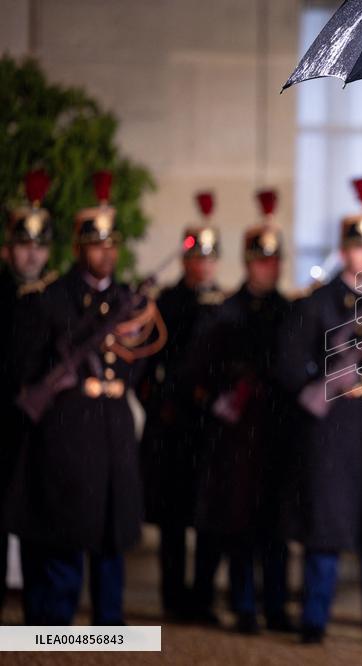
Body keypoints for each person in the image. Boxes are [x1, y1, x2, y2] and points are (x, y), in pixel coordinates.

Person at [6, 171, 164, 625]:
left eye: (111, 245)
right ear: (79, 248)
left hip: (113, 427)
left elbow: (140, 361)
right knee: (67, 532)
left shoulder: (127, 300)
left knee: (112, 533)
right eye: (96, 245)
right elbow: (26, 366)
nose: (106, 253)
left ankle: (109, 626)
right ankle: (55, 630)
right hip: (68, 431)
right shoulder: (52, 299)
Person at [274, 178, 362, 646]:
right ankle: (314, 618)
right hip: (331, 428)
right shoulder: (317, 302)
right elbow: (289, 366)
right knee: (325, 525)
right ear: (343, 251)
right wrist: (330, 381)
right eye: (359, 248)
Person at [185, 190, 293, 634]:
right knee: (239, 524)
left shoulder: (290, 311)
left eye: (273, 260)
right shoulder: (224, 312)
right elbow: (199, 369)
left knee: (277, 525)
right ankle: (246, 605)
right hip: (236, 436)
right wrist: (218, 398)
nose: (268, 268)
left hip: (278, 431)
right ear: (248, 263)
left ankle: (277, 607)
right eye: (260, 260)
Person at [137, 192, 225, 620]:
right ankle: (173, 599)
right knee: (172, 519)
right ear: (185, 259)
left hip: (212, 426)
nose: (202, 265)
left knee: (210, 517)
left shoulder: (225, 306)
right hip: (173, 426)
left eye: (209, 258)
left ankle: (203, 599)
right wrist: (157, 404)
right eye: (195, 257)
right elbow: (142, 367)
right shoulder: (166, 304)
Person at [0, 169, 58, 620]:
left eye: (39, 245)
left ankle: (41, 621)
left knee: (40, 520)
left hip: (42, 428)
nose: (32, 253)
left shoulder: (58, 299)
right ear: (8, 248)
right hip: (2, 423)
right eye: (23, 244)